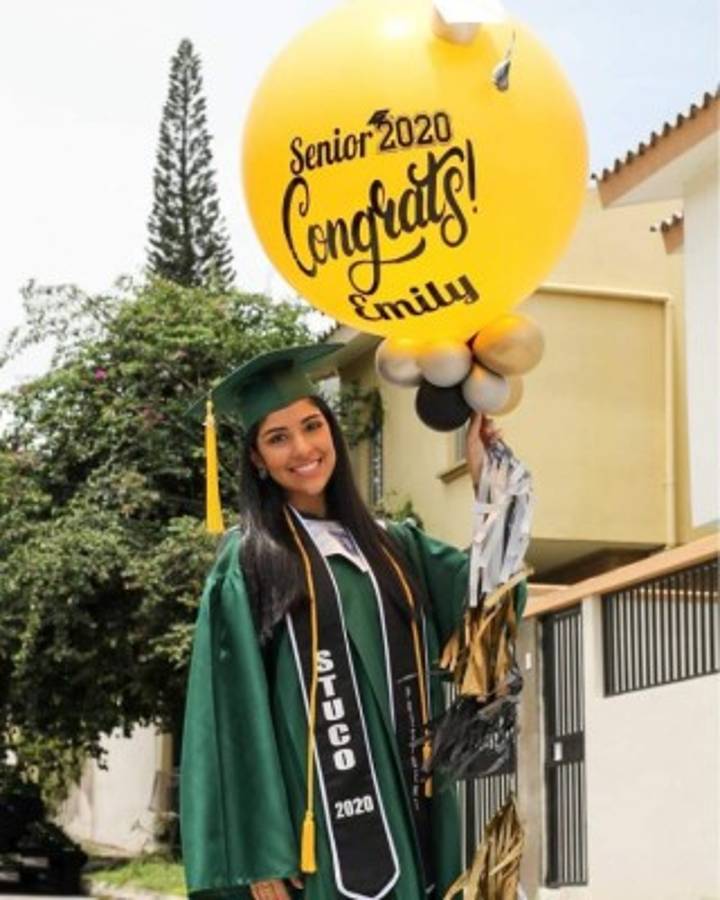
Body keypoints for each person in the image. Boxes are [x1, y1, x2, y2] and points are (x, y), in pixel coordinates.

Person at [180, 344, 503, 900]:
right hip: (319, 835)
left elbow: (486, 600)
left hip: (412, 808)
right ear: (257, 459)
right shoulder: (250, 561)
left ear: (332, 431)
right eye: (278, 438)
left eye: (312, 426)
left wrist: (486, 481)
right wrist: (262, 856)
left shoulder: (394, 546)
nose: (303, 449)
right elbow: (230, 716)